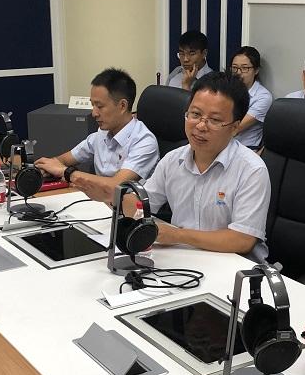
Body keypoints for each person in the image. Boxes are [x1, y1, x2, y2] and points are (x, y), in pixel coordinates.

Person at [120, 71, 271, 262]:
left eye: (215, 120)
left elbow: (242, 240)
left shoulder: (252, 170)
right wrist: (121, 199)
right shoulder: (173, 160)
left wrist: (176, 235)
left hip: (234, 266)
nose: (200, 126)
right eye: (195, 114)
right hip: (182, 259)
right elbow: (142, 203)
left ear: (235, 127)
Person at [35, 68, 159, 201]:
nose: (94, 113)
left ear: (122, 106)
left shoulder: (144, 141)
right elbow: (62, 160)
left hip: (126, 209)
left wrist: (67, 172)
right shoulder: (101, 134)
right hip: (98, 204)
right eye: (92, 105)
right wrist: (45, 168)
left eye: (99, 106)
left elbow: (115, 187)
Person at [230, 46, 273, 150]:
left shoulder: (263, 97)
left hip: (244, 149)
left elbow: (235, 129)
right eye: (234, 68)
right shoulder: (227, 88)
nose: (238, 72)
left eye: (245, 68)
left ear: (256, 70)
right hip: (222, 143)